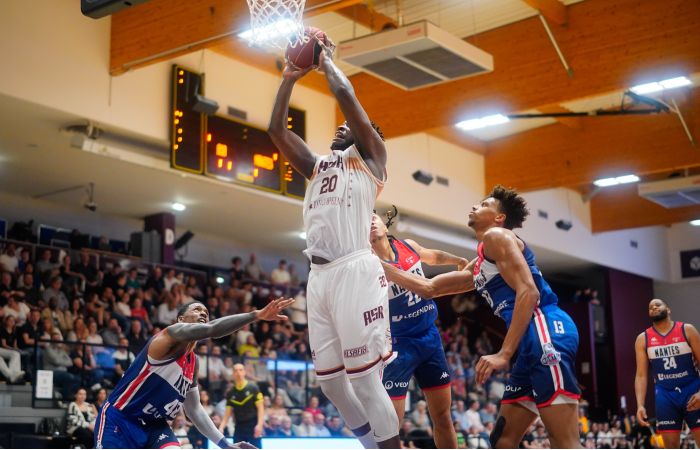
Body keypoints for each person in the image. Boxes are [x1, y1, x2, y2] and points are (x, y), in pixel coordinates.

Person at [268, 36, 399, 449]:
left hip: (356, 269)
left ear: (364, 136)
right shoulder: (318, 165)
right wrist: (288, 79)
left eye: (349, 126)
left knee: (363, 378)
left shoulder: (372, 160)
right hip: (319, 276)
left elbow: (345, 93)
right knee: (333, 387)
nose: (340, 127)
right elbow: (275, 130)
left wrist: (324, 62)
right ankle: (372, 446)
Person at [381, 185, 582, 448]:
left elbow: (529, 293)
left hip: (546, 329)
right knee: (502, 440)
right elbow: (430, 288)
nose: (476, 206)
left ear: (499, 218)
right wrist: (380, 266)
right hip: (529, 340)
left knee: (564, 441)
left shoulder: (498, 236)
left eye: (485, 204)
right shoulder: (483, 263)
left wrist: (504, 354)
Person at [94, 297, 293, 449]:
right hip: (121, 418)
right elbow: (212, 329)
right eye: (197, 309)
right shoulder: (169, 335)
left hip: (156, 426)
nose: (203, 313)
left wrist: (225, 445)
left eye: (206, 311)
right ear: (181, 319)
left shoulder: (193, 363)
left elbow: (194, 410)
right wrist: (256, 315)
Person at [370, 211, 466, 447]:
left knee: (443, 416)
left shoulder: (407, 245)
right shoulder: (367, 264)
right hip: (397, 345)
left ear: (384, 221)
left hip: (429, 339)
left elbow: (432, 256)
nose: (370, 222)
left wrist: (457, 260)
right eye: (362, 220)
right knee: (390, 426)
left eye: (372, 216)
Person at [634, 298, 700, 449]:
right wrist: (640, 405)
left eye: (658, 304)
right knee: (669, 446)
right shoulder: (643, 339)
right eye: (651, 307)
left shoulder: (687, 329)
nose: (654, 307)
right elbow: (641, 375)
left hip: (692, 390)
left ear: (668, 309)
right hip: (665, 395)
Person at [218, 363, 265, 448]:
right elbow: (227, 414)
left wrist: (259, 425)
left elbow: (261, 409)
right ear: (233, 374)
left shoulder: (253, 387)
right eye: (235, 370)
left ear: (244, 372)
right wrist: (221, 427)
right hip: (239, 426)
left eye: (240, 370)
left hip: (253, 425)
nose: (238, 372)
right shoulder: (230, 392)